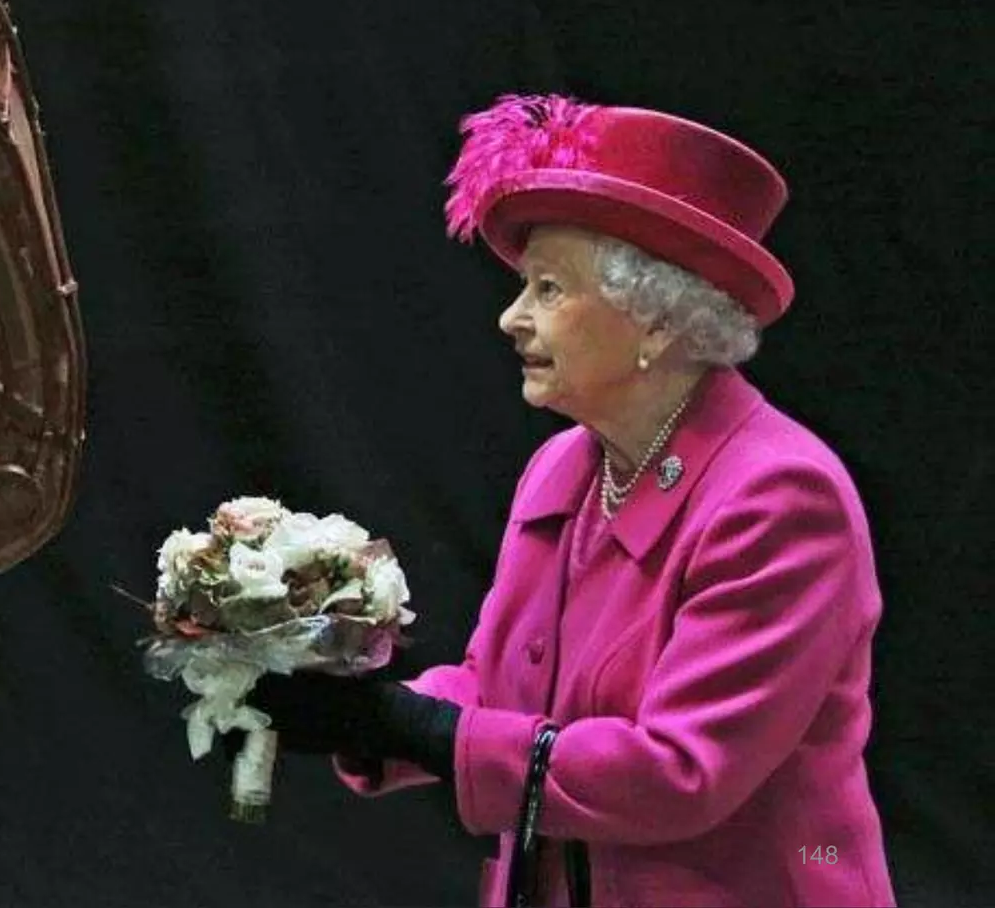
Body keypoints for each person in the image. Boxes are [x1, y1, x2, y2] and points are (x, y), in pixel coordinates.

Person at [251, 95, 892, 906]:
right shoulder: (564, 468)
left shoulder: (780, 498)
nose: (510, 318)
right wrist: (364, 710)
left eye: (548, 289)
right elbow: (494, 686)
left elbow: (679, 772)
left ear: (656, 322)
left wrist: (430, 735)